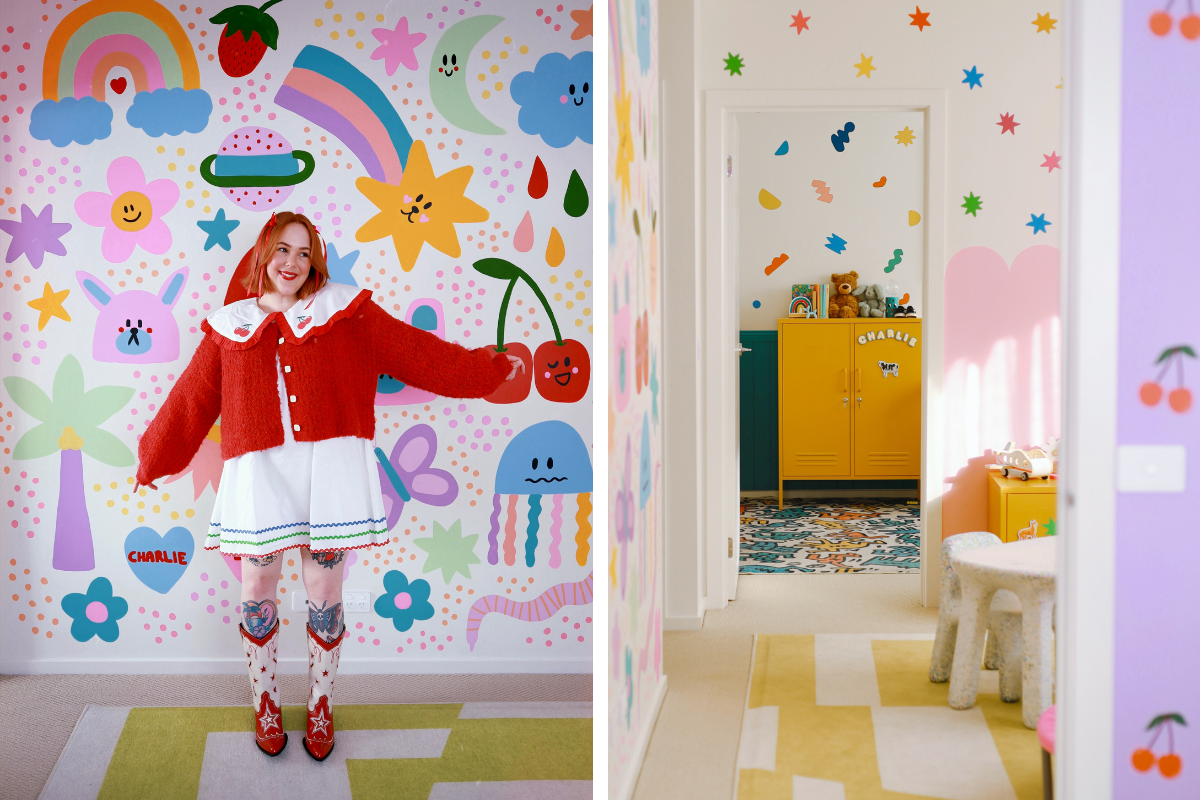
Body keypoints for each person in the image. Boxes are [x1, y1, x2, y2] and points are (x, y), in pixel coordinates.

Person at [135, 212, 523, 760]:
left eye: (304, 253)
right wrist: (152, 459)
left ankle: (321, 704)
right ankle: (265, 702)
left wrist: (483, 373)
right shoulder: (230, 325)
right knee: (256, 590)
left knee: (324, 594)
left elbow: (418, 353)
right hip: (259, 477)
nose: (292, 263)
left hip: (330, 477)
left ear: (315, 261)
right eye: (282, 250)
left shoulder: (348, 310)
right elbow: (191, 400)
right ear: (262, 253)